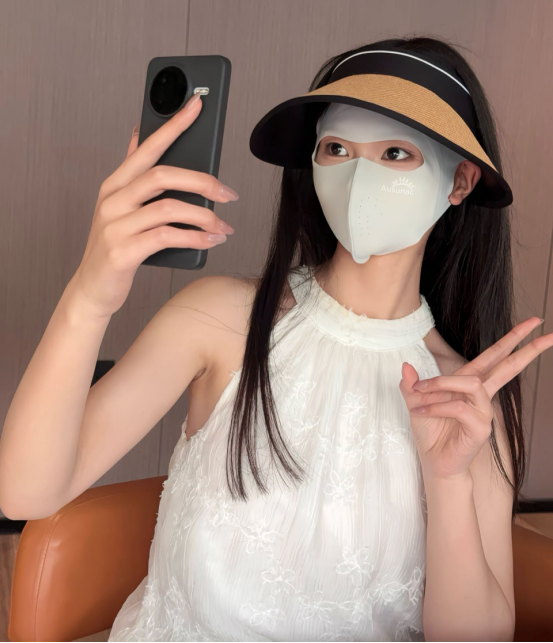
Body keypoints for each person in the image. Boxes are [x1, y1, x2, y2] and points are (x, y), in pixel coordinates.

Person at [0, 36, 551, 642]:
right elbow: (25, 492)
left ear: (461, 181)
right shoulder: (220, 320)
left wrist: (448, 483)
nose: (359, 175)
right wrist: (89, 296)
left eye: (396, 153)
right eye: (336, 148)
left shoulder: (467, 399)